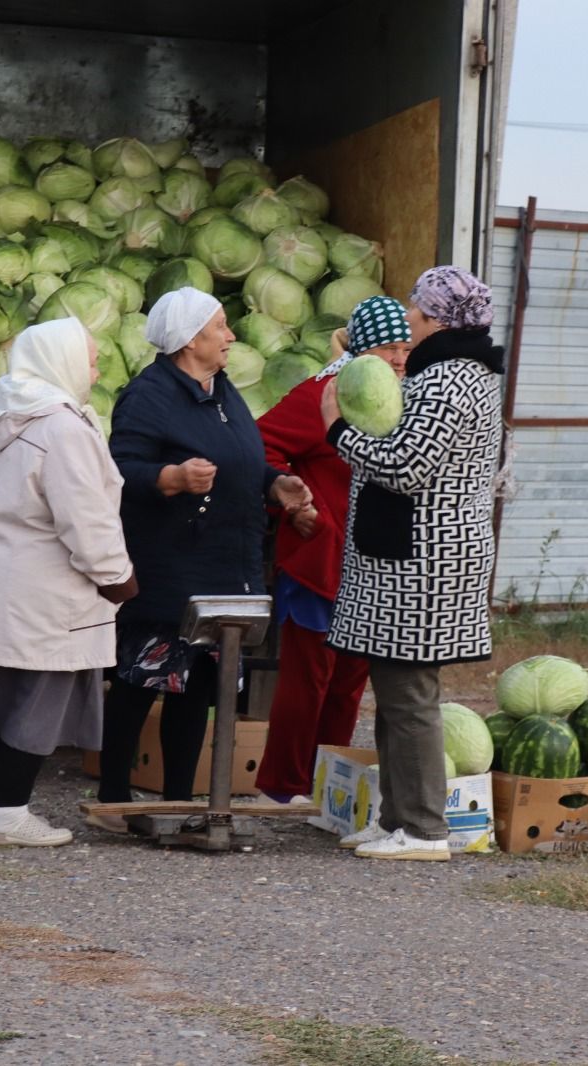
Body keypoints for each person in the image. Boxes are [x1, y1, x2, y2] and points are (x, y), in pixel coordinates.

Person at [93, 287, 313, 832]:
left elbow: (242, 460)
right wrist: (170, 478)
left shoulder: (222, 390)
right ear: (192, 339)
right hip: (172, 567)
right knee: (141, 682)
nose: (230, 336)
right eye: (221, 327)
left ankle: (179, 802)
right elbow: (119, 470)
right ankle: (116, 800)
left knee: (199, 689)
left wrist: (275, 484)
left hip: (225, 565)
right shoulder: (148, 395)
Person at [319, 266, 504, 861]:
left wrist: (338, 432)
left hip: (425, 562)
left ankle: (424, 829)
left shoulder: (450, 379)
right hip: (408, 558)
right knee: (395, 692)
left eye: (417, 315)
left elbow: (404, 466)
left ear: (439, 320)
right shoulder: (450, 373)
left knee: (411, 694)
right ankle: (396, 817)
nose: (410, 323)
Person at [0, 317, 138, 847]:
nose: (96, 370)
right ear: (63, 363)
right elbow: (86, 517)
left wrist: (2, 520)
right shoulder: (63, 428)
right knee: (37, 700)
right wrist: (117, 577)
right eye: (91, 359)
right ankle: (10, 814)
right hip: (49, 590)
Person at [251, 297, 413, 803]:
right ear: (365, 347)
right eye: (390, 347)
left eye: (406, 346)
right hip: (319, 560)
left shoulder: (399, 398)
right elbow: (259, 445)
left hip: (369, 566)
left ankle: (331, 787)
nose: (400, 358)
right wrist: (294, 500)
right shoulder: (324, 394)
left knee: (348, 684)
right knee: (308, 681)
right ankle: (282, 787)